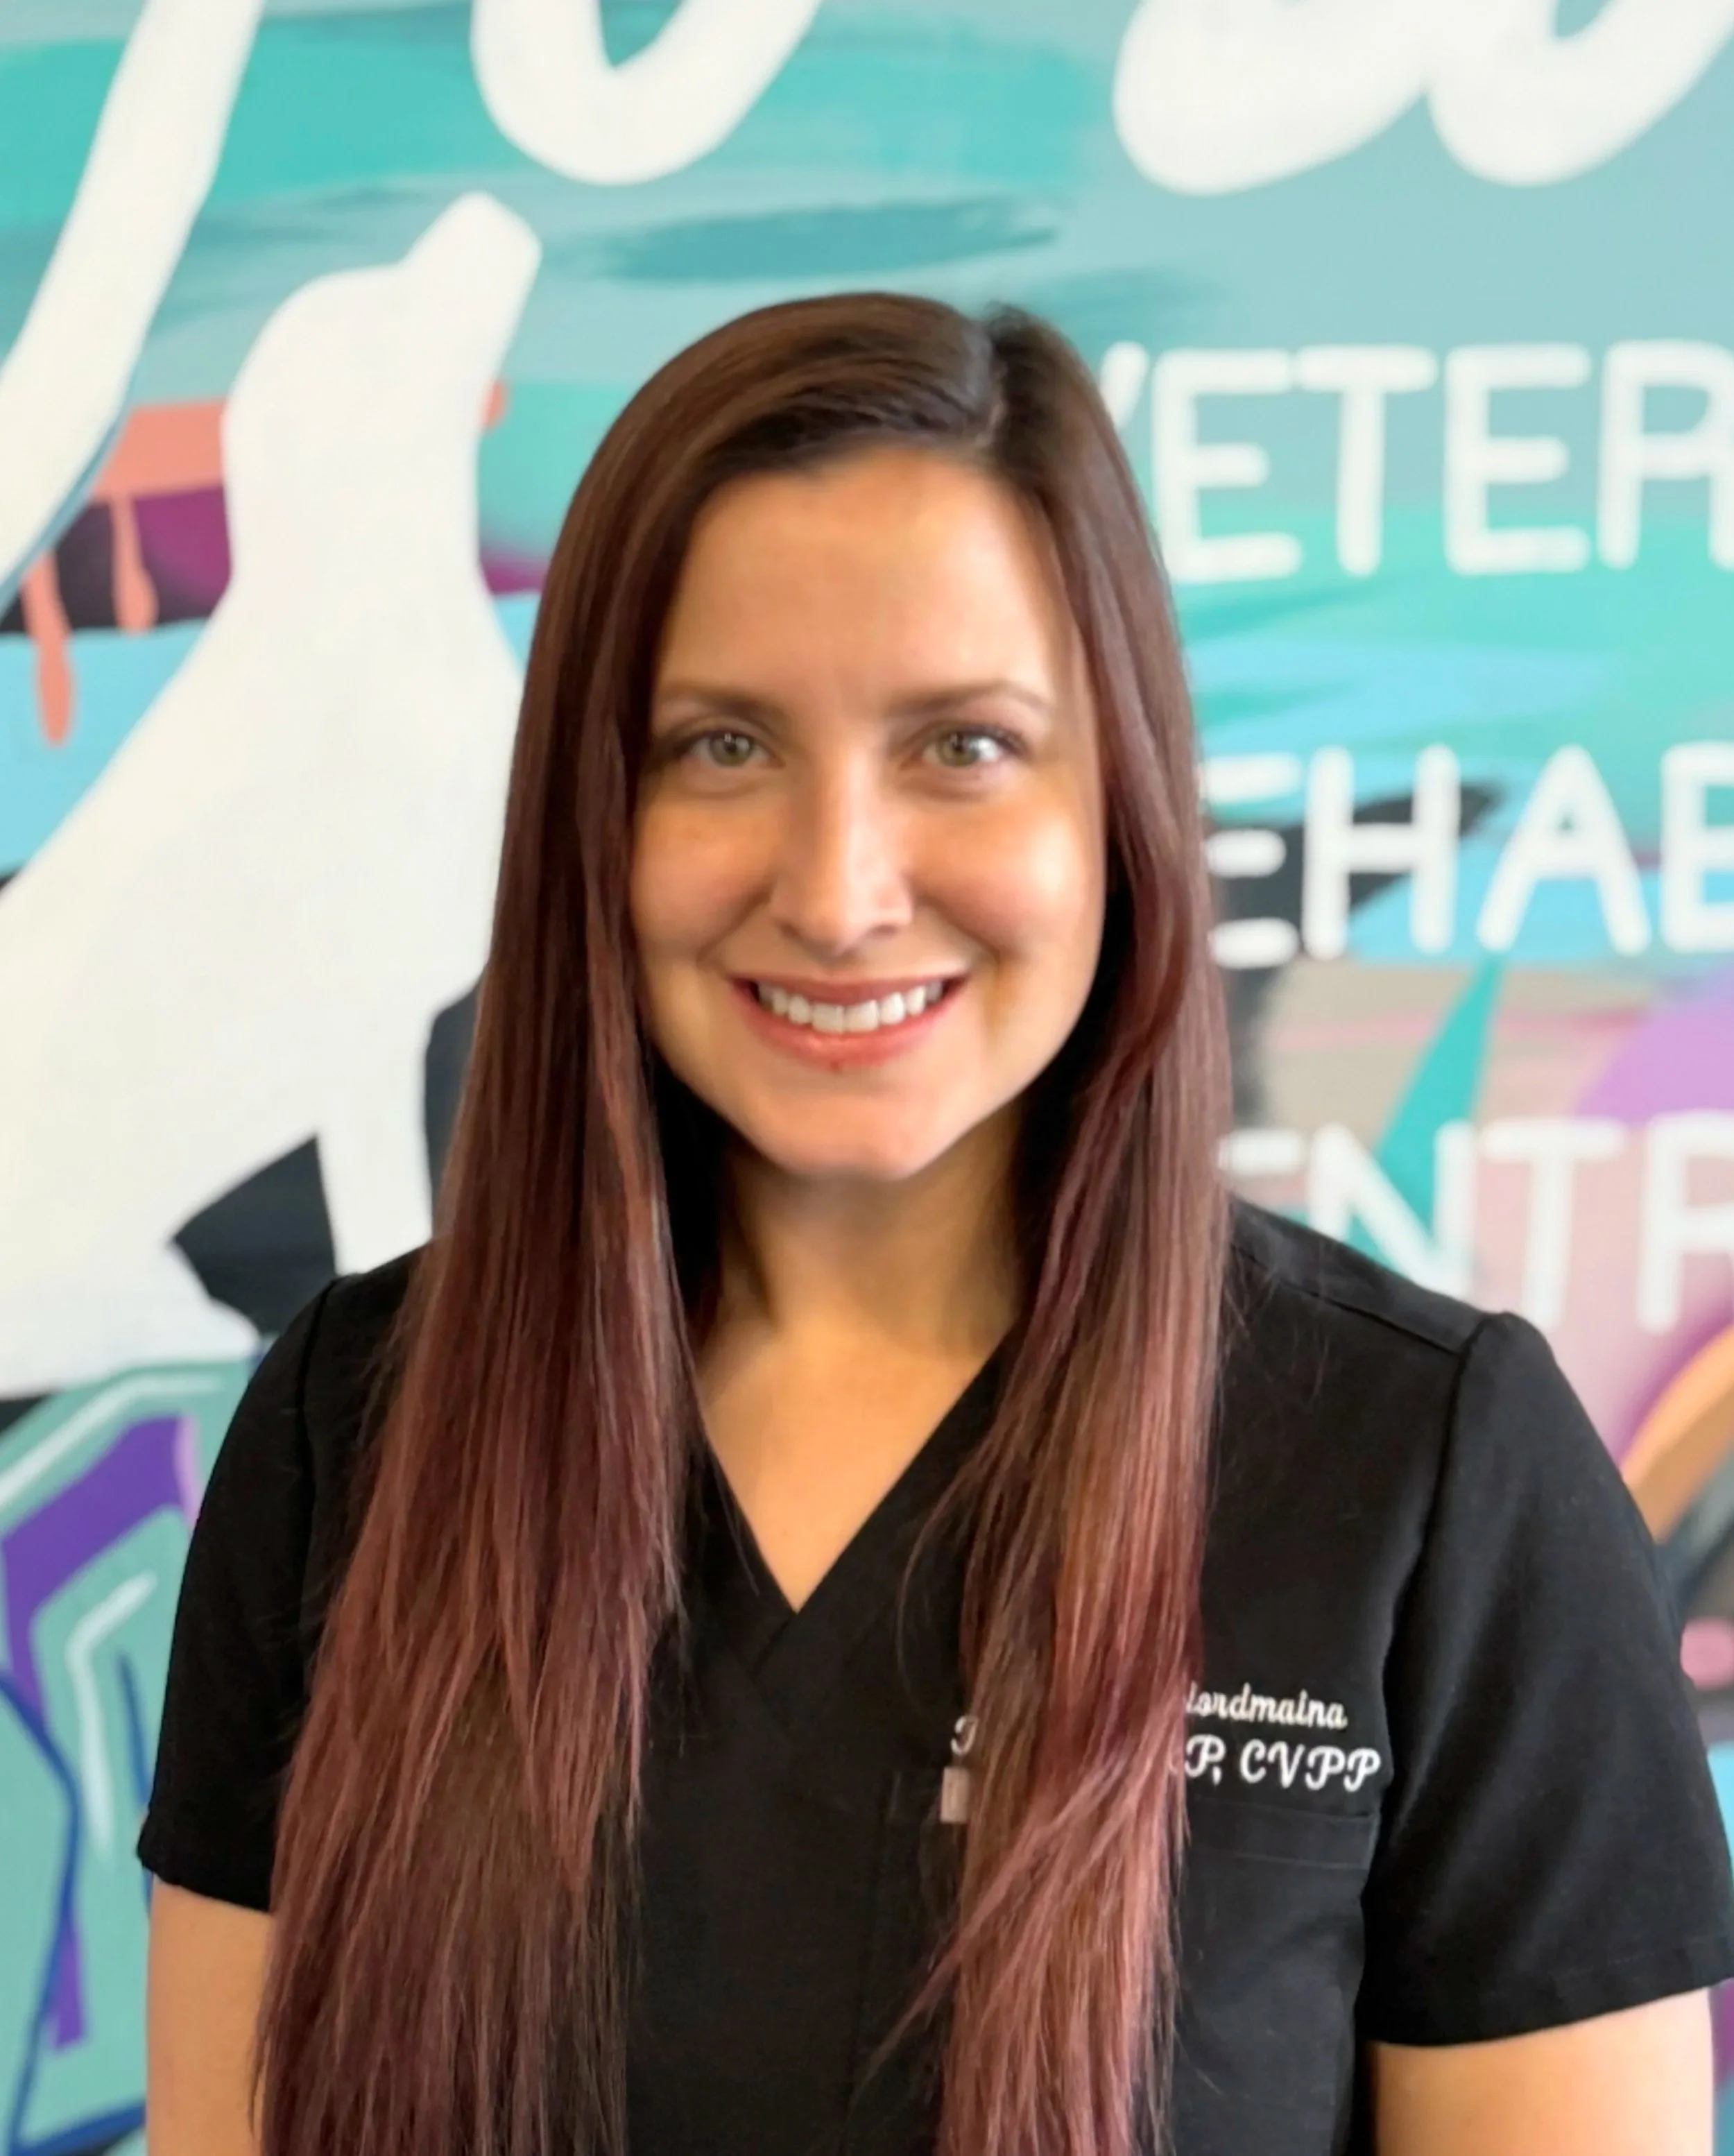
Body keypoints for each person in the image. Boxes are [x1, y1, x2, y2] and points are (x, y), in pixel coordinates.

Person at [139, 293, 1734, 2156]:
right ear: (594, 814)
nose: (838, 892)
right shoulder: (352, 1433)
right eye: (721, 746)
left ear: (1115, 798)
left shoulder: (1431, 1469)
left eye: (962, 745)